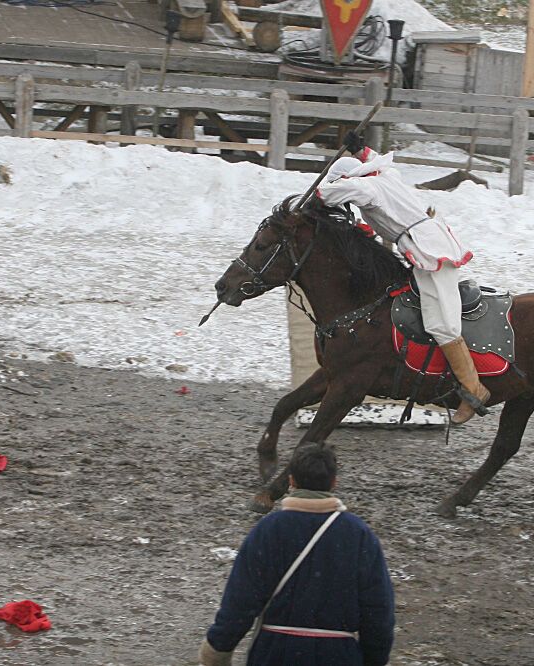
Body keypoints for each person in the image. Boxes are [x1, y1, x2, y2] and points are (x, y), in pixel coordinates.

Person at [314, 132, 490, 424]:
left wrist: (317, 191)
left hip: (428, 248)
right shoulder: (386, 175)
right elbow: (373, 161)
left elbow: (327, 195)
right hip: (427, 241)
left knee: (441, 324)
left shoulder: (367, 188)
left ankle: (474, 390)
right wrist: (361, 150)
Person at [199, 443, 394, 666]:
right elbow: (378, 612)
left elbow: (240, 603)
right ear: (333, 483)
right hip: (338, 655)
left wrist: (217, 651)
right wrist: (374, 659)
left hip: (274, 653)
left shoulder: (268, 530)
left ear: (291, 481)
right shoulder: (359, 535)